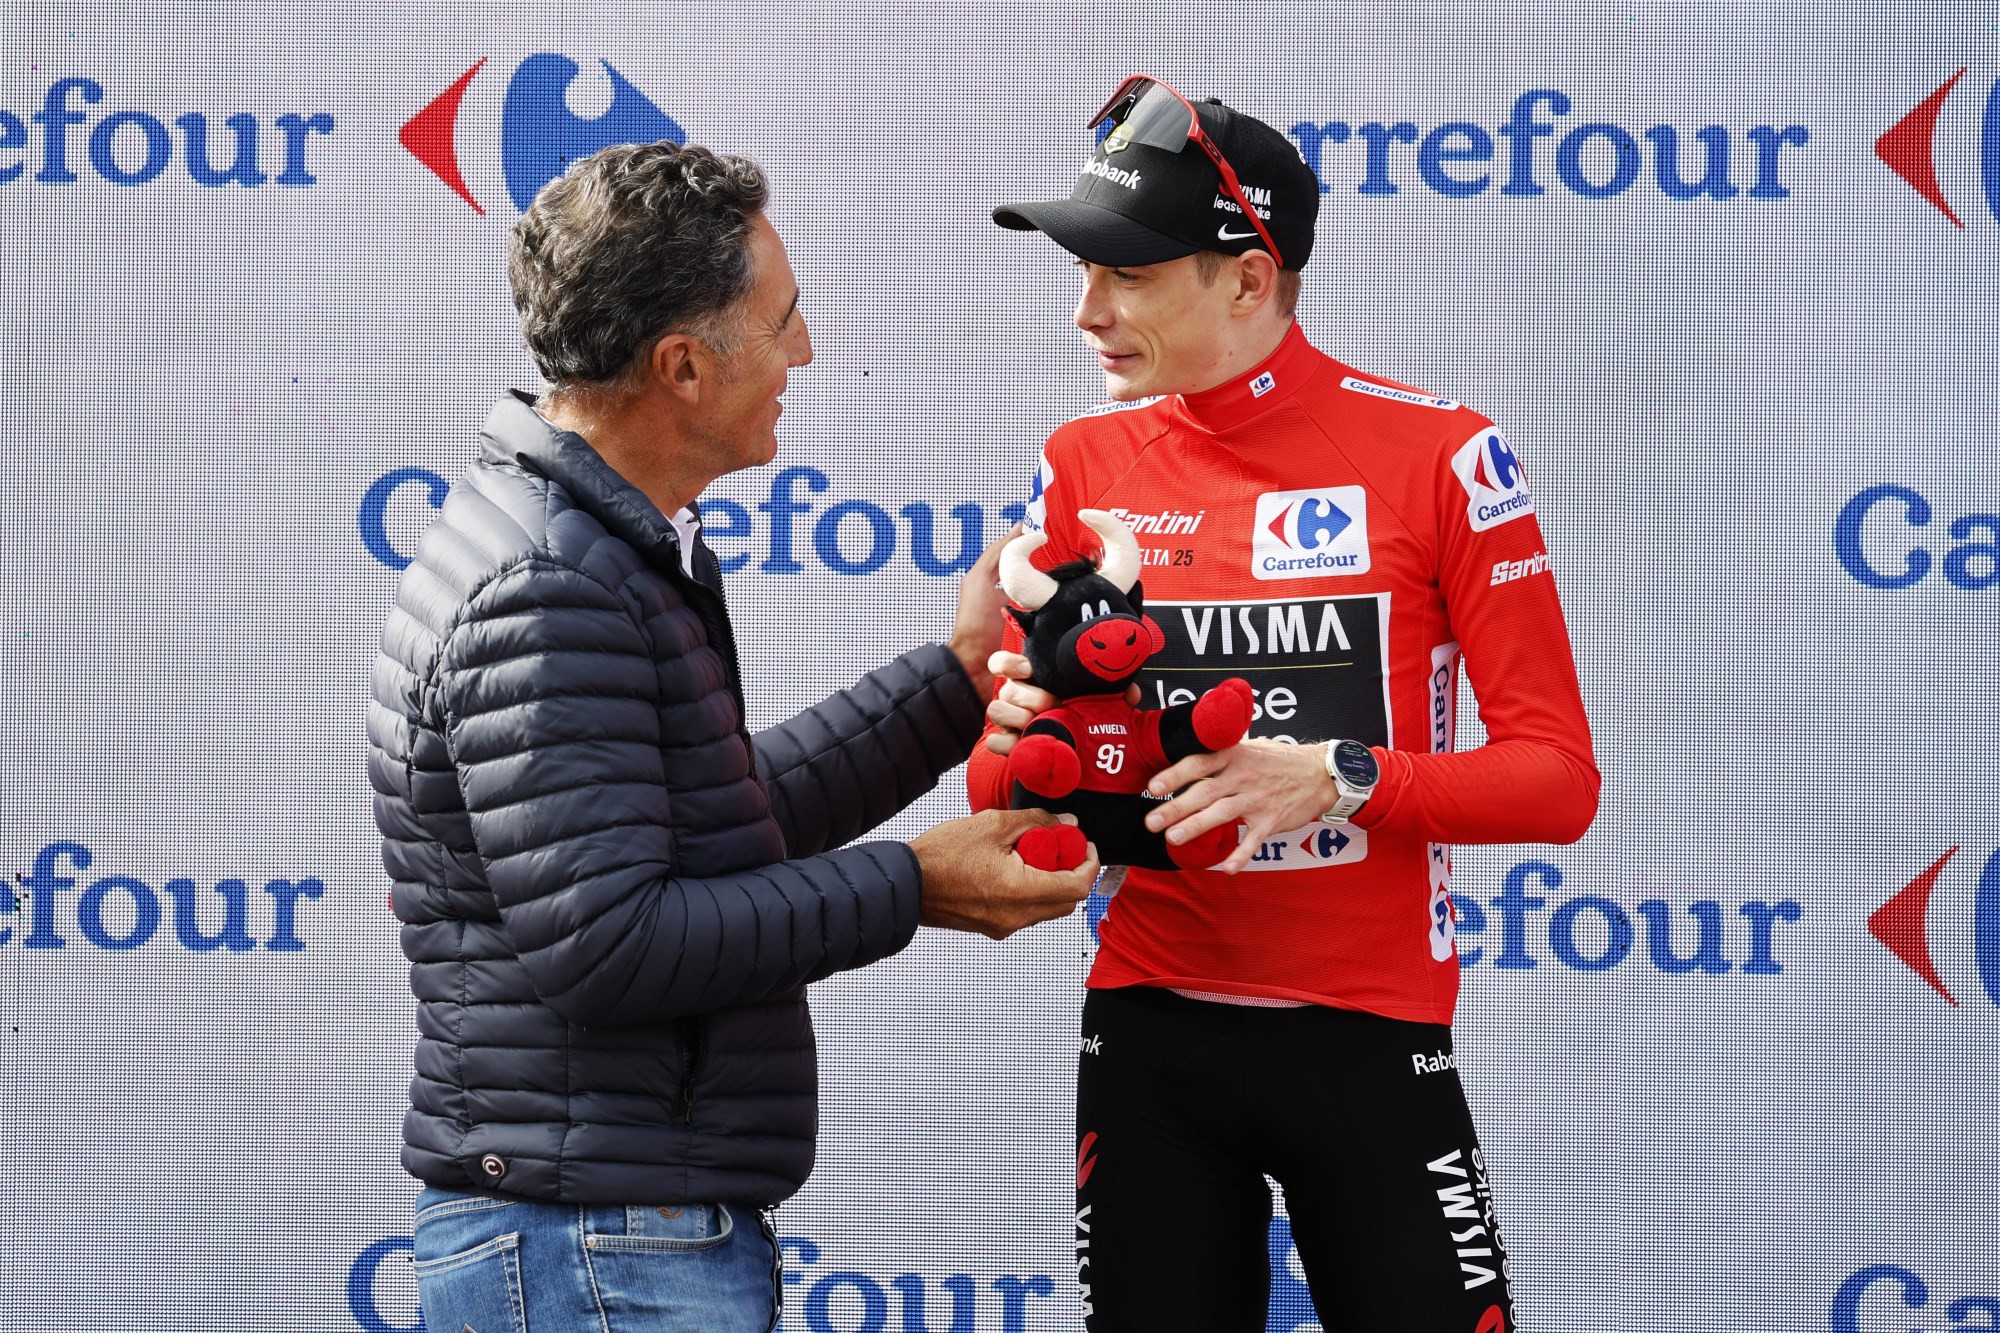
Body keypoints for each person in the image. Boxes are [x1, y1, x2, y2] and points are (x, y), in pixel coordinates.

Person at [367, 139, 1098, 1333]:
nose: (805, 352)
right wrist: (914, 885)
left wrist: (957, 682)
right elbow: (610, 941)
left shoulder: (581, 541)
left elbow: (704, 821)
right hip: (598, 1250)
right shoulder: (547, 582)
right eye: (783, 321)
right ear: (682, 366)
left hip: (606, 1232)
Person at [972, 77, 1600, 1333]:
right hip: (1148, 1034)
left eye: (1128, 274)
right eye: (1081, 271)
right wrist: (1018, 745)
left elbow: (1556, 780)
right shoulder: (1080, 463)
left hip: (1367, 1039)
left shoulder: (1443, 456)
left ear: (1246, 279)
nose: (1085, 310)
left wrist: (1339, 773)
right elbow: (1015, 786)